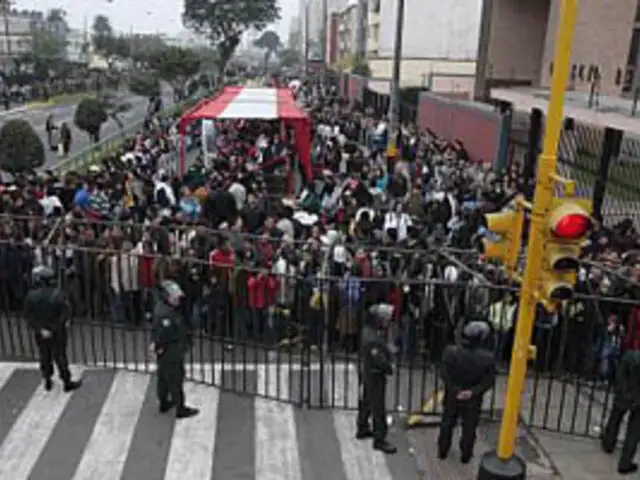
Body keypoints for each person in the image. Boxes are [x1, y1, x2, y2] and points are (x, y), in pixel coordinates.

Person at [438, 320, 495, 464]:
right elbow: (488, 381)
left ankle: (442, 451)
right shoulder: (487, 358)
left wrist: (455, 390)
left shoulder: (450, 352)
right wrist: (472, 392)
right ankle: (466, 455)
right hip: (473, 399)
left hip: (452, 395)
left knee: (447, 423)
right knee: (469, 427)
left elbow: (445, 374)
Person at [24, 266, 82, 392]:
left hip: (41, 332)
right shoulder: (59, 295)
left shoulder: (31, 296)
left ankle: (47, 379)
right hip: (57, 332)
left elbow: (29, 316)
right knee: (60, 356)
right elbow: (65, 315)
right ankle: (66, 381)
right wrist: (54, 329)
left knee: (44, 355)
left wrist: (40, 329)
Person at [150, 280, 199, 419]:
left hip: (167, 350)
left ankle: (164, 402)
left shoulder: (164, 309)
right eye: (175, 297)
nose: (178, 300)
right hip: (171, 351)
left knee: (163, 376)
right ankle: (180, 408)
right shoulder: (166, 315)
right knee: (175, 379)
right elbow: (164, 335)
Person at [356, 303, 396, 454]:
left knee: (365, 401)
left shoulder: (370, 332)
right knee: (378, 408)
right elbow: (379, 359)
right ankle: (380, 439)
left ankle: (362, 427)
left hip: (367, 372)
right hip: (375, 375)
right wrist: (389, 367)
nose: (387, 322)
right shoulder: (372, 338)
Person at [601, 349, 640, 475]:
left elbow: (620, 374)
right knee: (634, 431)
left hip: (625, 390)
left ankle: (608, 443)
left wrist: (622, 390)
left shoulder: (630, 355)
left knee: (615, 417)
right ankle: (625, 462)